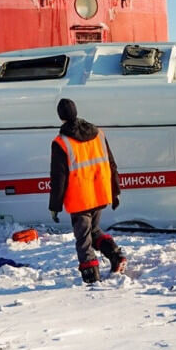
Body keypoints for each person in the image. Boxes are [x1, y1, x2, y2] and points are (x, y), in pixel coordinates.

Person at [49, 98, 127, 283]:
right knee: (93, 231)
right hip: (99, 193)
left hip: (80, 198)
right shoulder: (98, 134)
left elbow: (58, 178)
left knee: (83, 239)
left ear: (61, 118)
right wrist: (115, 191)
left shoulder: (61, 142)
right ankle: (116, 256)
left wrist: (55, 206)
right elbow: (112, 164)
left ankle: (92, 278)